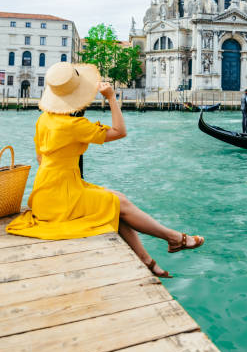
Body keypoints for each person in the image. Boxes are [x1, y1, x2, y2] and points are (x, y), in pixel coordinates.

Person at [6, 62, 204, 278]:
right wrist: (111, 97)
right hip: (60, 198)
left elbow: (40, 157)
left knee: (115, 200)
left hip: (46, 190)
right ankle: (174, 238)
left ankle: (148, 262)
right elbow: (120, 131)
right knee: (120, 203)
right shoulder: (74, 126)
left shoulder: (43, 119)